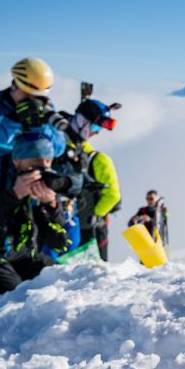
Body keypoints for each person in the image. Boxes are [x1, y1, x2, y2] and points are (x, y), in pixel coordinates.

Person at [0, 131, 71, 297]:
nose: (43, 166)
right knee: (15, 294)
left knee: (63, 278)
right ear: (17, 160)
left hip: (22, 253)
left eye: (47, 160)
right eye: (36, 160)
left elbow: (59, 225)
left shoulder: (43, 181)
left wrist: (51, 205)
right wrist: (14, 195)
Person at [54, 98, 122, 260]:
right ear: (82, 120)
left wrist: (95, 215)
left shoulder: (90, 157)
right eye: (95, 126)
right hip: (80, 225)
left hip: (80, 224)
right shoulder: (63, 146)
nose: (97, 132)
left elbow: (113, 195)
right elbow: (113, 194)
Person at [0, 57, 67, 163]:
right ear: (15, 86)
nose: (33, 101)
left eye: (38, 96)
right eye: (28, 94)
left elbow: (57, 149)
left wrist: (39, 127)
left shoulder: (45, 107)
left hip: (31, 175)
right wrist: (13, 121)